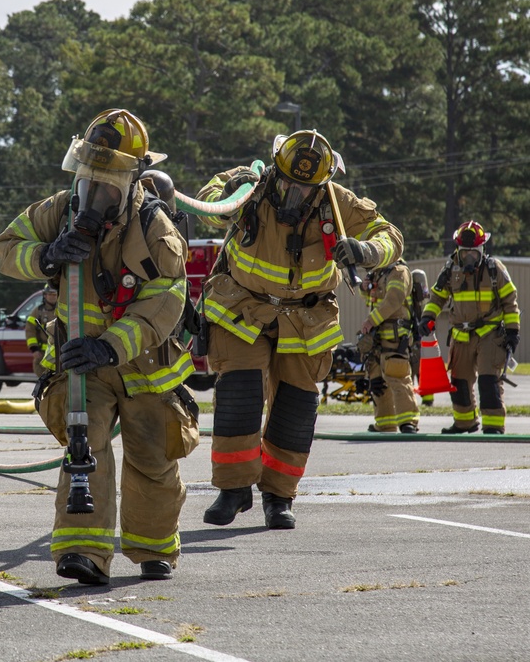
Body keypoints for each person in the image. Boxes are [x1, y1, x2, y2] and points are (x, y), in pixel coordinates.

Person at [0, 108, 200, 584]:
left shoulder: (155, 229)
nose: (94, 192)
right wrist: (45, 254)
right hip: (83, 367)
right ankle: (83, 553)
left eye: (108, 182)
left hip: (144, 366)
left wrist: (109, 347)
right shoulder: (59, 210)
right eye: (89, 176)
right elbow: (8, 247)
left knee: (153, 458)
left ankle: (153, 551)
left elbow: (164, 303)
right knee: (84, 452)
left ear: (131, 181)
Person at [192, 129, 403, 529]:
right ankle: (234, 491)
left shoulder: (337, 202)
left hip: (306, 318)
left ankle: (277, 496)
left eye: (304, 188)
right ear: (276, 168)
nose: (293, 193)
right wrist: (229, 187)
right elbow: (208, 205)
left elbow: (390, 235)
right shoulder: (249, 185)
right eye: (287, 182)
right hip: (243, 306)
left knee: (294, 407)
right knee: (238, 393)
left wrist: (366, 250)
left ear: (322, 182)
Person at [419, 221, 520, 434]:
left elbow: (510, 302)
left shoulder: (494, 269)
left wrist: (513, 332)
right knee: (459, 382)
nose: (470, 257)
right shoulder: (449, 269)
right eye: (465, 252)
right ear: (458, 250)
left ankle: (493, 425)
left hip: (490, 334)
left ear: (482, 249)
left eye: (475, 252)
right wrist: (427, 317)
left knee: (488, 380)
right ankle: (465, 422)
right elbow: (437, 297)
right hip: (461, 334)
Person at [358, 261, 420, 433]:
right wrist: (364, 288)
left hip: (395, 335)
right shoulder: (378, 273)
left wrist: (371, 321)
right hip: (377, 336)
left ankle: (408, 421)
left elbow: (393, 300)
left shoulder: (399, 272)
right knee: (377, 380)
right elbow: (371, 299)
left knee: (397, 376)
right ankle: (385, 423)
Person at [26, 282, 58, 377]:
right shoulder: (38, 312)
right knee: (44, 381)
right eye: (50, 294)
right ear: (45, 295)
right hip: (42, 355)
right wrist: (34, 349)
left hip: (60, 353)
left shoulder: (62, 310)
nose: (52, 297)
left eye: (54, 294)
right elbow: (30, 331)